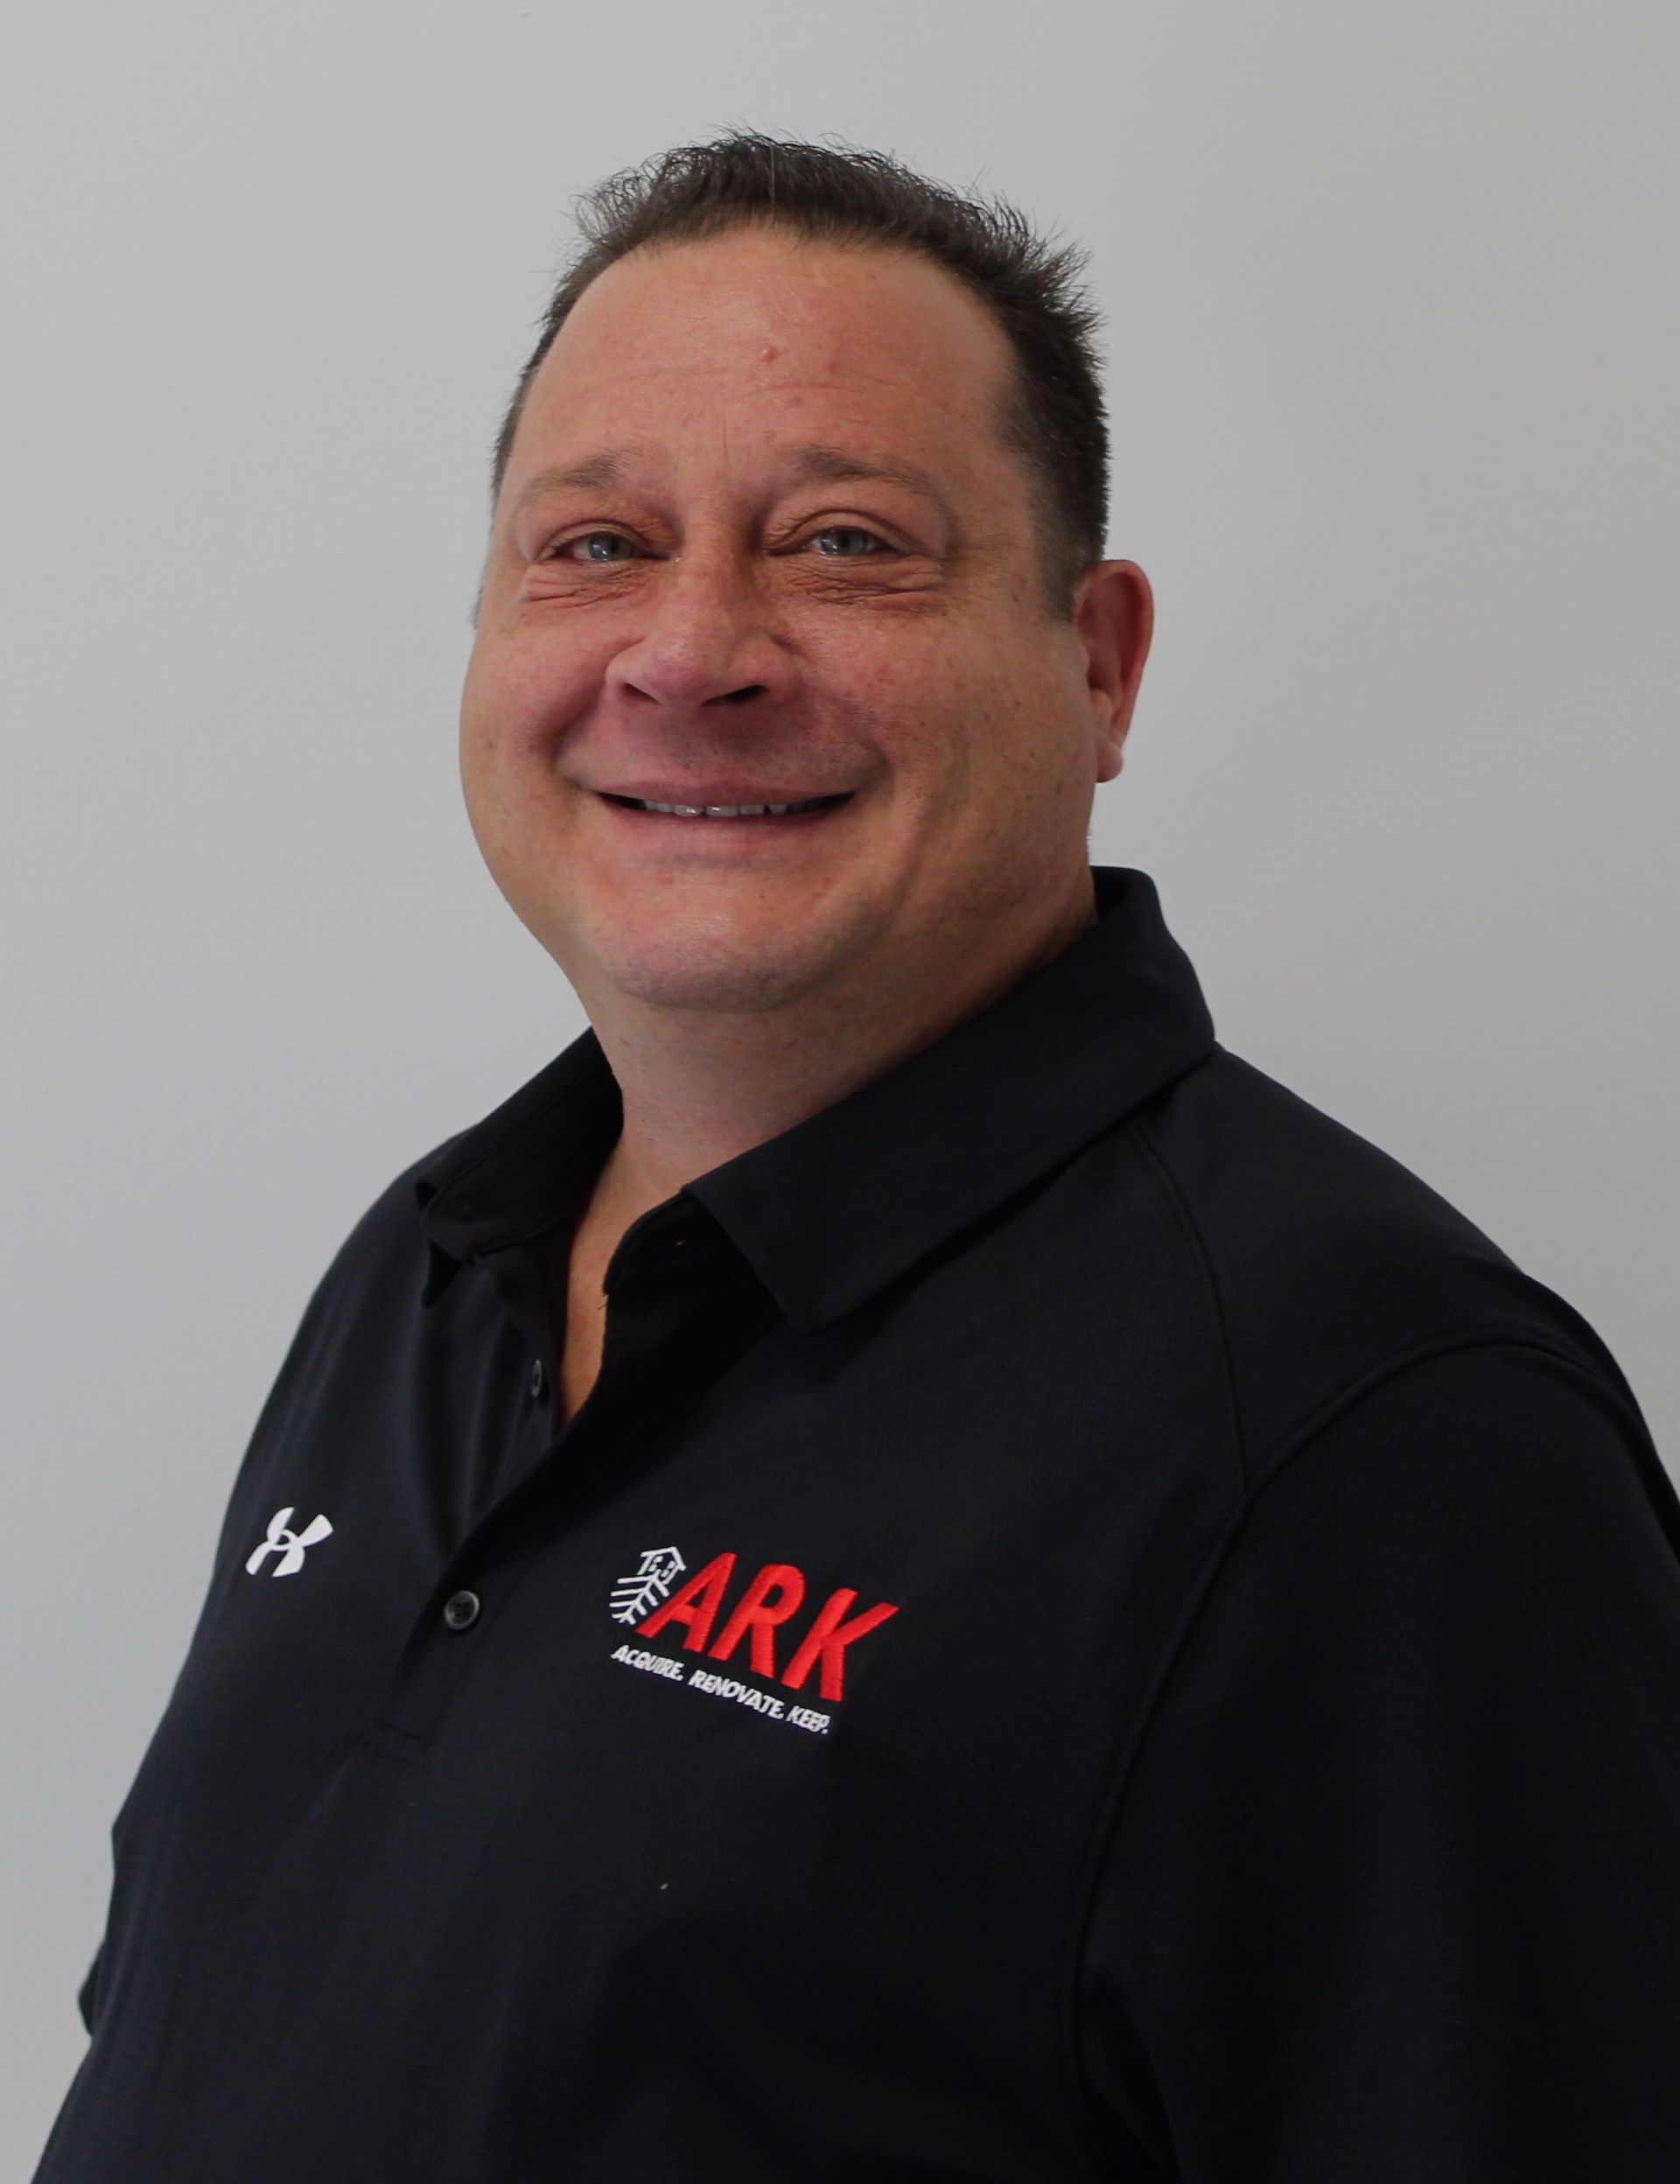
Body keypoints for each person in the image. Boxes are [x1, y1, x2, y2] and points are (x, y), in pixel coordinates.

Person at [34, 134, 1680, 2182]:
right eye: (597, 546)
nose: (689, 652)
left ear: (1100, 664)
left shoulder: (1376, 1441)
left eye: (840, 546)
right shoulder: (433, 1264)